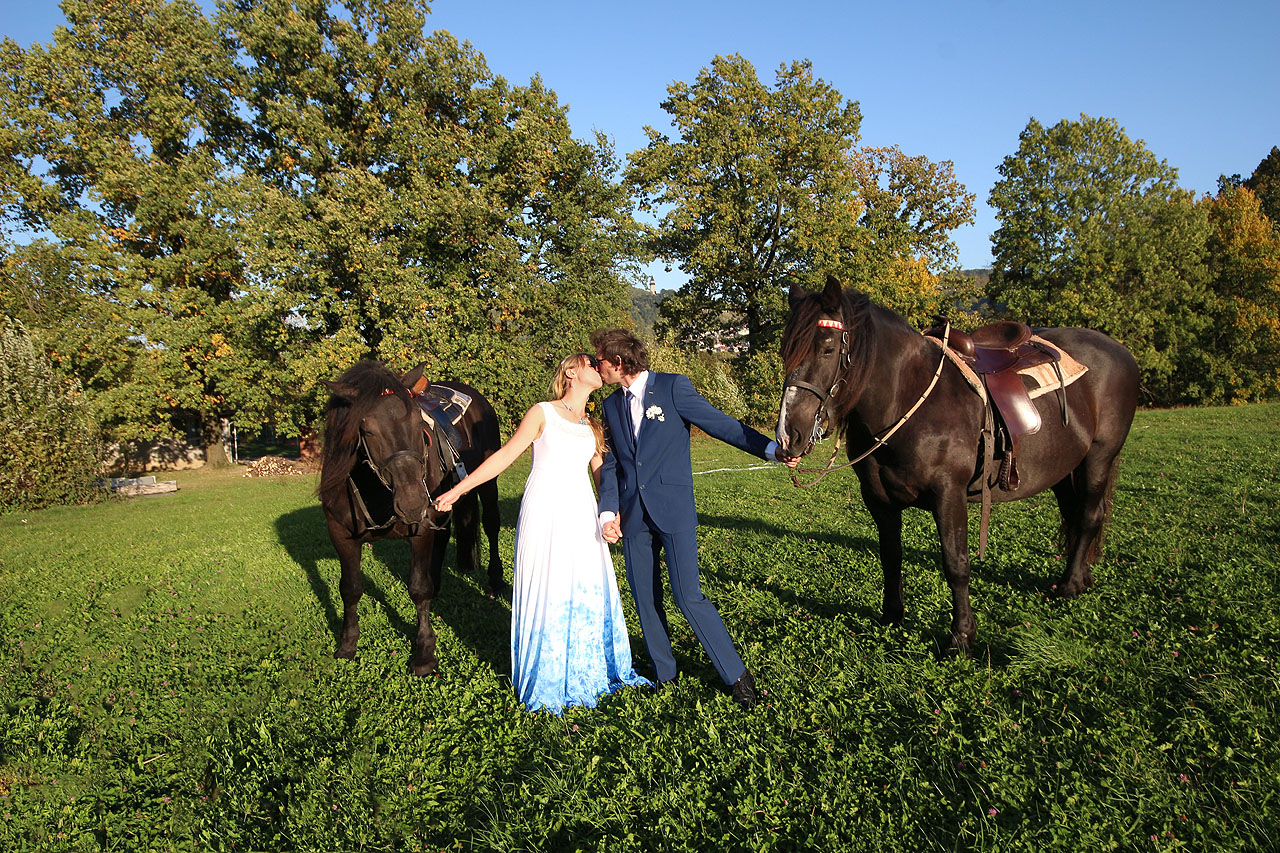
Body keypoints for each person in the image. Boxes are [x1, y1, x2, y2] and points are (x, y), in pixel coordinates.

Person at [591, 328, 796, 709]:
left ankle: (736, 675)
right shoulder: (610, 406)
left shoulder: (672, 388)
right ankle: (664, 674)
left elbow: (721, 425)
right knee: (645, 599)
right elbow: (615, 463)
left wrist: (771, 450)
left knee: (688, 597)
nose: (595, 365)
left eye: (599, 359)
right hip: (634, 516)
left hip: (674, 510)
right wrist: (607, 511)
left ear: (618, 362)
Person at [433, 353, 650, 713]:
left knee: (586, 584)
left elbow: (602, 478)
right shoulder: (542, 412)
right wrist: (459, 490)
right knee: (548, 586)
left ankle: (590, 670)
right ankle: (547, 676)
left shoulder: (593, 424)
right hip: (545, 510)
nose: (598, 366)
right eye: (588, 362)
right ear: (570, 372)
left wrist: (613, 517)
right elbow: (505, 456)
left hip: (581, 514)